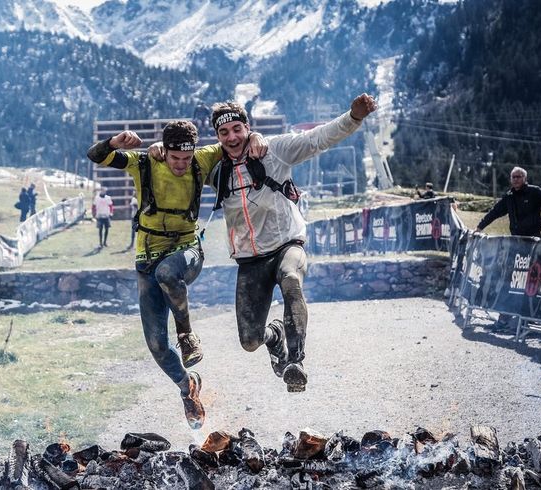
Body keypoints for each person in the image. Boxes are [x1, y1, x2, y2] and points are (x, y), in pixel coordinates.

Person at [87, 121, 265, 429]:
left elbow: (238, 142)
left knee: (168, 273)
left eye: (186, 158)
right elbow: (97, 156)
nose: (182, 165)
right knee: (156, 345)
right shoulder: (145, 161)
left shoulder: (203, 157)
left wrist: (258, 135)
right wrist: (115, 141)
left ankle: (187, 336)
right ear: (164, 151)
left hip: (186, 252)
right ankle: (187, 386)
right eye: (175, 159)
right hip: (146, 259)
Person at [206, 93, 377, 393]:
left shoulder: (275, 150)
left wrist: (353, 117)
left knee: (290, 280)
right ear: (218, 136)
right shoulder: (216, 169)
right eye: (224, 132)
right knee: (249, 341)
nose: (232, 137)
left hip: (287, 244)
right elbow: (177, 162)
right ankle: (274, 336)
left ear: (247, 127)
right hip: (249, 260)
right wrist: (157, 149)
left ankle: (296, 362)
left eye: (237, 129)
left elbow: (316, 139)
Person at [475, 166, 541, 331]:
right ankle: (506, 319)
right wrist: (480, 227)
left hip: (534, 246)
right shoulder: (509, 196)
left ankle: (528, 318)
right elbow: (495, 212)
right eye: (513, 177)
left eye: (519, 176)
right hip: (515, 245)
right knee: (511, 280)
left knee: (532, 282)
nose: (516, 179)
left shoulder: (534, 192)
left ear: (525, 178)